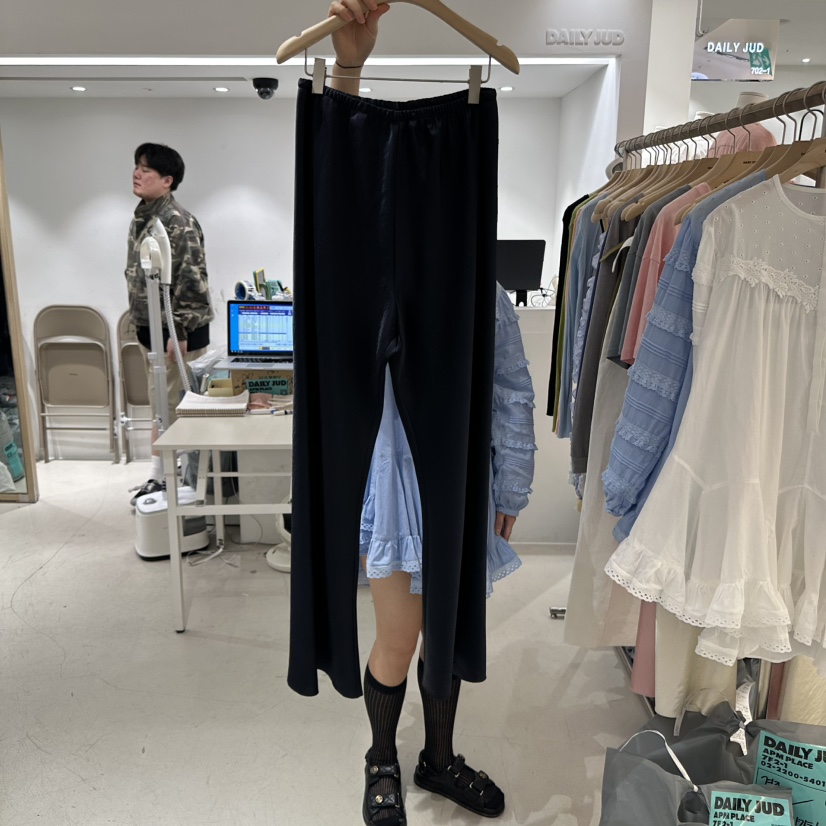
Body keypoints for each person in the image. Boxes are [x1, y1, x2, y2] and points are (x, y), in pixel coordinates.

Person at [327, 5, 536, 823]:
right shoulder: (356, 278)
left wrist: (510, 484)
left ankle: (437, 758)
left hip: (457, 478)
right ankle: (381, 760)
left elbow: (512, 387)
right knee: (398, 635)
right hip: (390, 484)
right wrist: (348, 73)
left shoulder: (479, 290)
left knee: (447, 635)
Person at [124, 143, 213, 505]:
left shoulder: (177, 221)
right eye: (137, 166)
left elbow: (192, 281)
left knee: (174, 408)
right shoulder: (143, 217)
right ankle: (160, 476)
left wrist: (182, 332)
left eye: (146, 169)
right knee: (159, 407)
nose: (137, 173)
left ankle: (172, 480)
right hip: (152, 332)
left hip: (177, 335)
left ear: (167, 180)